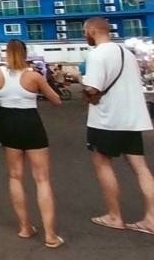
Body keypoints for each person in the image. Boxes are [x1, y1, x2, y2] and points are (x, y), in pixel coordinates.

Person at [81, 17, 154, 235]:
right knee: (141, 169)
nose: (85, 35)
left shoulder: (96, 54)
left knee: (103, 164)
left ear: (92, 30)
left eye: (85, 31)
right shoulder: (127, 54)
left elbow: (93, 89)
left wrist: (81, 82)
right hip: (132, 119)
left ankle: (114, 216)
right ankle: (151, 218)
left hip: (106, 120)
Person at [0, 39, 64, 248]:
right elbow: (56, 100)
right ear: (24, 53)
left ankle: (25, 227)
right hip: (31, 125)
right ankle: (50, 235)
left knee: (15, 176)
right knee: (42, 179)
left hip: (8, 126)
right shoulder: (34, 76)